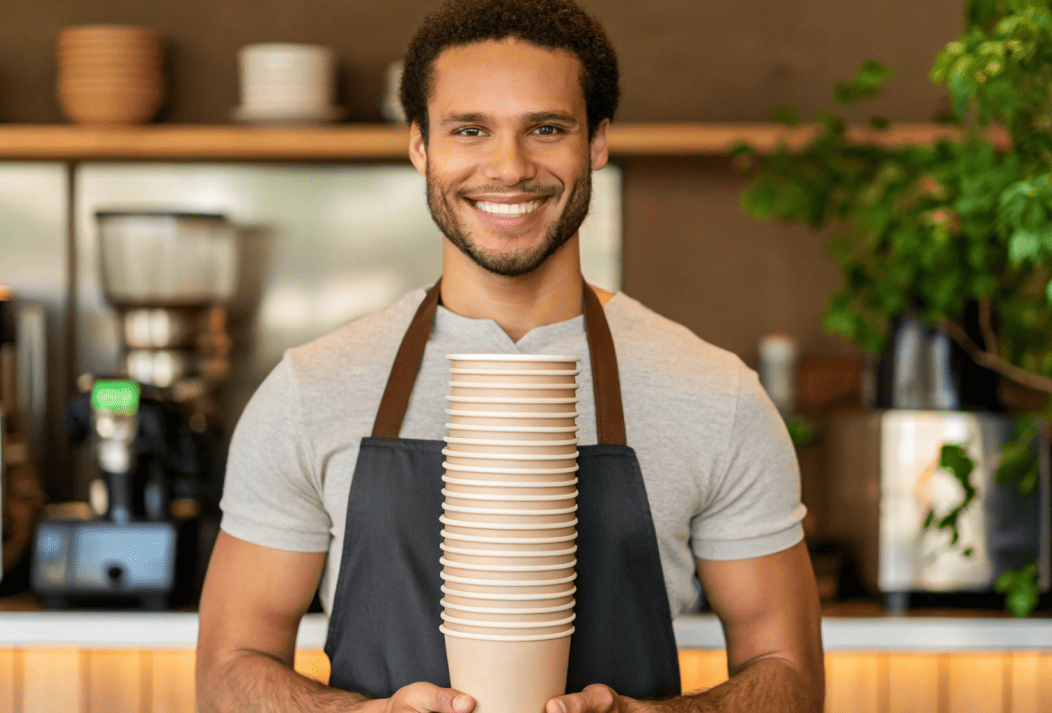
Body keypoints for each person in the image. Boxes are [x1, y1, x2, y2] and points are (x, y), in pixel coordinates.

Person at [196, 0, 824, 710]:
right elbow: (228, 669)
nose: (509, 167)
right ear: (419, 146)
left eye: (547, 129)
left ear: (597, 143)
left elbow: (790, 674)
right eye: (470, 130)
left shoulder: (717, 396)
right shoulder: (312, 390)